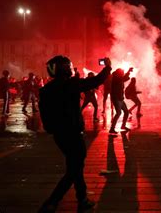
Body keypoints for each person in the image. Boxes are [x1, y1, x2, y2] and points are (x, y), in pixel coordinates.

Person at [38, 56, 111, 212]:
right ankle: (52, 201)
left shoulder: (46, 90)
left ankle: (82, 199)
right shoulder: (70, 85)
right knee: (74, 169)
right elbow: (94, 82)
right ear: (64, 68)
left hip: (59, 135)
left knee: (76, 166)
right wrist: (107, 68)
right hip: (73, 134)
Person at [109, 67, 133, 134]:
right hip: (116, 98)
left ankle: (123, 126)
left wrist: (128, 73)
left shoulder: (118, 78)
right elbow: (124, 78)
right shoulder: (116, 78)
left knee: (126, 112)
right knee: (118, 113)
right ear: (119, 73)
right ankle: (112, 128)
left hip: (120, 98)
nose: (123, 73)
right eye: (122, 72)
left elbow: (125, 78)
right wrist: (128, 71)